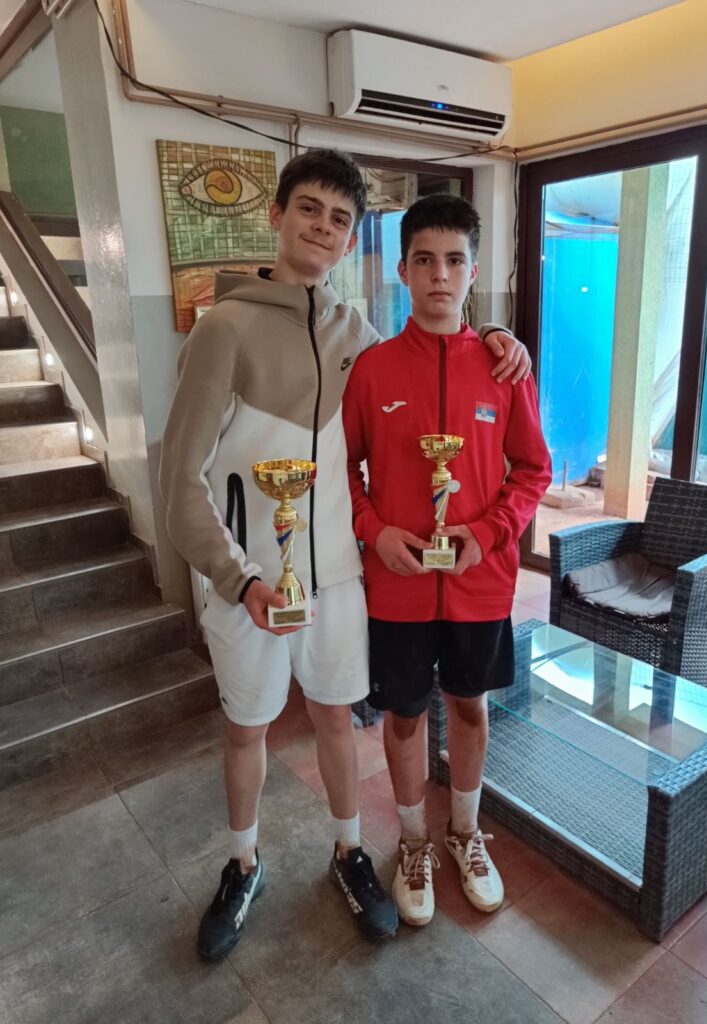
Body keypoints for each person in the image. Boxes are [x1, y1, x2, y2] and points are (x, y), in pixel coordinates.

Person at [160, 149, 532, 960]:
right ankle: (242, 864)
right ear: (277, 215)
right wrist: (238, 579)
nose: (323, 228)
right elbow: (178, 481)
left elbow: (438, 346)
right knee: (247, 730)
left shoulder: (354, 337)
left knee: (338, 719)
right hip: (249, 584)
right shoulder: (222, 329)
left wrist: (498, 337)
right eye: (309, 209)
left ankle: (350, 852)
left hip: (338, 582)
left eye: (340, 217)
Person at [343, 193, 551, 928]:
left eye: (455, 260)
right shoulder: (372, 371)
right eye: (425, 260)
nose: (440, 275)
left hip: (478, 583)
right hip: (397, 587)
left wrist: (489, 534)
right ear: (401, 271)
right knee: (403, 715)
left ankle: (465, 832)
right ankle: (413, 841)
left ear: (474, 272)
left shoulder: (504, 369)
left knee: (469, 705)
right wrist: (374, 532)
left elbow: (534, 470)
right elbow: (342, 472)